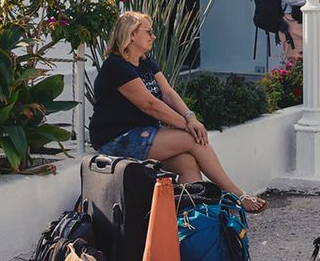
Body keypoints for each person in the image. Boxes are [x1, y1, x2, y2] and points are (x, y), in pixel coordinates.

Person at [90, 11, 266, 213]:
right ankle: (236, 194)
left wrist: (190, 117)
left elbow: (168, 94)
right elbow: (149, 104)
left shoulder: (145, 61)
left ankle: (194, 223)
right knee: (192, 139)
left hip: (142, 134)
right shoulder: (116, 66)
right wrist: (186, 125)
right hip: (116, 139)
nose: (153, 36)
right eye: (148, 32)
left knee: (187, 163)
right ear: (131, 35)